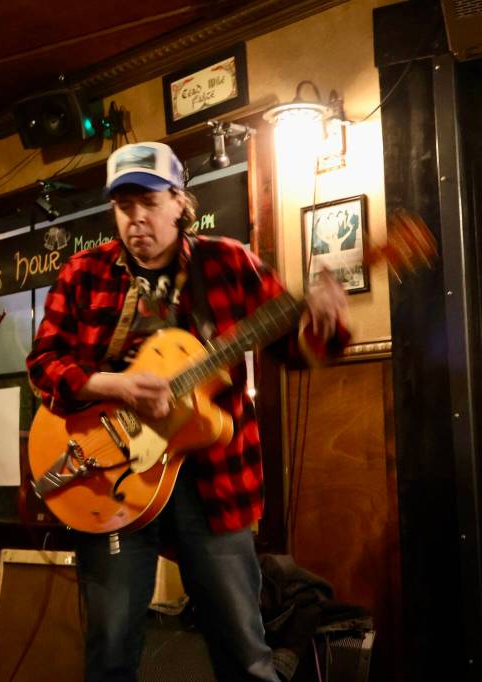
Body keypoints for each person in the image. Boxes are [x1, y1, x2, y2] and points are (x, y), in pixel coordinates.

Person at [25, 142, 350, 681]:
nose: (137, 219)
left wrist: (322, 321)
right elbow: (43, 364)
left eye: (149, 203)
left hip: (215, 481)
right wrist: (116, 386)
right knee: (110, 650)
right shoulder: (83, 273)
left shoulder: (228, 261)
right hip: (112, 479)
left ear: (179, 202)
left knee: (245, 649)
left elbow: (293, 352)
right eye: (124, 206)